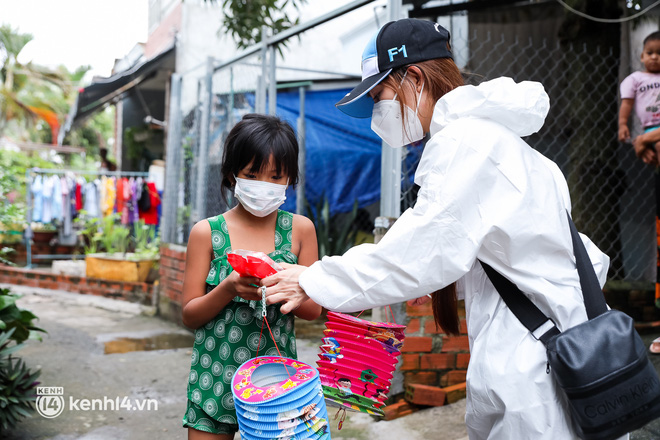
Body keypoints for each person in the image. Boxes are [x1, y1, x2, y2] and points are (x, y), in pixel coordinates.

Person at [261, 19, 616, 439]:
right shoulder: (496, 139)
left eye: (379, 97)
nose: (377, 114)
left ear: (413, 77)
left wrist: (314, 279)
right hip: (557, 345)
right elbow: (502, 254)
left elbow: (417, 253)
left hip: (537, 361)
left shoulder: (464, 144)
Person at [180, 113, 322, 439]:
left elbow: (312, 310)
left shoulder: (301, 230)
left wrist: (283, 285)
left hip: (276, 386)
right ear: (233, 174)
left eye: (276, 176)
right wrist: (229, 287)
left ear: (291, 178)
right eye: (252, 174)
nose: (264, 185)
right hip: (214, 381)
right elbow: (189, 315)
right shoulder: (206, 233)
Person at [620, 31, 660, 338]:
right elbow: (627, 105)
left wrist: (642, 141)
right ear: (642, 55)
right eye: (650, 52)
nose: (655, 57)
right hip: (649, 129)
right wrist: (630, 131)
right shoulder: (635, 79)